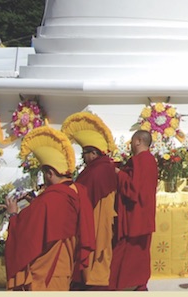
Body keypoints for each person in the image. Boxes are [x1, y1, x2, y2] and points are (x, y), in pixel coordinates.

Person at [5, 127, 90, 290]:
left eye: (44, 173)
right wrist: (36, 203)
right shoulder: (77, 191)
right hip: (64, 268)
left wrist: (13, 214)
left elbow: (25, 234)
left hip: (45, 274)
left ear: (50, 172)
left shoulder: (49, 199)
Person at [61, 113, 118, 289]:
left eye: (85, 153)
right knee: (103, 245)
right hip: (102, 214)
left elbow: (83, 192)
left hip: (95, 214)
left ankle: (93, 278)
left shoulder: (97, 170)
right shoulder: (105, 166)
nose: (84, 157)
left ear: (94, 153)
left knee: (95, 245)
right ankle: (97, 276)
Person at [107, 131, 156, 291]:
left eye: (132, 140)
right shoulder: (150, 160)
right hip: (143, 216)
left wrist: (118, 173)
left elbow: (133, 190)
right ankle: (138, 283)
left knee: (126, 254)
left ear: (138, 141)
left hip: (135, 217)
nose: (130, 144)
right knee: (139, 254)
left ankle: (122, 284)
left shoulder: (140, 160)